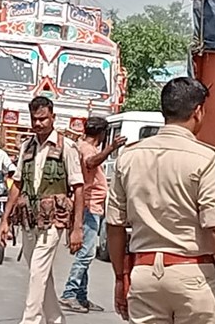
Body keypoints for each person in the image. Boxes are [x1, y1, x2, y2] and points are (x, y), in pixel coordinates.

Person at [106, 77, 215, 324]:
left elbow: (115, 225)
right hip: (193, 276)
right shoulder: (205, 159)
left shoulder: (129, 158)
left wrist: (121, 277)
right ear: (198, 111)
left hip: (144, 274)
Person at [0, 96, 85, 324]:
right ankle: (56, 319)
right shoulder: (27, 146)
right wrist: (4, 220)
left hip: (54, 221)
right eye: (34, 119)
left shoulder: (67, 147)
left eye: (43, 119)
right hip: (29, 219)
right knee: (40, 274)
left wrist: (77, 228)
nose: (38, 124)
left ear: (53, 117)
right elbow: (17, 184)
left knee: (38, 271)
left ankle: (30, 320)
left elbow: (78, 188)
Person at [59, 117, 126, 313]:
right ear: (102, 134)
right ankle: (70, 293)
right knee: (86, 254)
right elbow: (90, 162)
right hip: (89, 205)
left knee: (85, 254)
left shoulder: (81, 145)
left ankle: (81, 296)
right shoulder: (88, 149)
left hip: (91, 206)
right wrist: (110, 148)